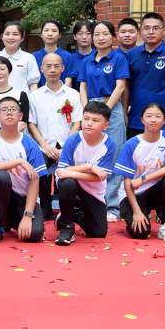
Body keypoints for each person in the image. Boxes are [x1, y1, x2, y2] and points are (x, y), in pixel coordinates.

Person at [0, 96, 48, 244]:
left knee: (34, 235)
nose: (9, 112)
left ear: (20, 116)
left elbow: (35, 180)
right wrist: (19, 161)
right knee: (0, 176)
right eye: (4, 110)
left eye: (13, 109)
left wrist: (27, 216)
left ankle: (9, 221)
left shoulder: (30, 143)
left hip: (23, 199)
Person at [78, 20, 129, 221]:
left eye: (105, 34)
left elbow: (120, 86)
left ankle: (112, 206)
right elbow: (82, 87)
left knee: (114, 153)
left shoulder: (119, 58)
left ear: (112, 37)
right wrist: (87, 111)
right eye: (97, 34)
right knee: (90, 154)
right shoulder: (87, 60)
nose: (100, 38)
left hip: (111, 107)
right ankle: (91, 202)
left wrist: (105, 111)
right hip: (91, 107)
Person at [114, 103, 165, 243]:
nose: (153, 120)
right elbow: (127, 182)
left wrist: (144, 179)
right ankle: (134, 214)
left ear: (164, 120)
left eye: (158, 116)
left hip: (155, 190)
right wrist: (137, 212)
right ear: (142, 120)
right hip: (134, 194)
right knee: (140, 232)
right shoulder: (132, 144)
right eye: (149, 116)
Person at [53, 100, 117, 246]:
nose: (89, 123)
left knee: (98, 232)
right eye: (86, 118)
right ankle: (67, 227)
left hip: (93, 191)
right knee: (67, 183)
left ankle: (73, 214)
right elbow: (61, 171)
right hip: (72, 187)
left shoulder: (110, 144)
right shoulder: (73, 139)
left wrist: (75, 171)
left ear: (106, 125)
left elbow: (100, 177)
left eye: (95, 120)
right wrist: (89, 167)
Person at [28, 52, 82, 221]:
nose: (52, 70)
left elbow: (77, 122)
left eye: (56, 66)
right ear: (41, 69)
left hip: (68, 144)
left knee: (70, 177)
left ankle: (70, 211)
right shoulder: (34, 96)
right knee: (40, 173)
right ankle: (45, 209)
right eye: (48, 66)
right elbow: (31, 124)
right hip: (43, 145)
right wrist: (45, 146)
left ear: (63, 68)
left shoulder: (73, 94)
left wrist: (66, 146)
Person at [127, 12, 165, 139]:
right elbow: (126, 86)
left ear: (163, 31)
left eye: (155, 28)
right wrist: (124, 113)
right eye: (146, 28)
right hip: (136, 119)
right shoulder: (132, 54)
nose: (151, 32)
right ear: (140, 31)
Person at [0, 21, 39, 93]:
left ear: (22, 38)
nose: (11, 37)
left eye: (15, 34)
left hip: (22, 99)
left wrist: (32, 99)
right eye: (7, 34)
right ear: (2, 37)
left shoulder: (29, 58)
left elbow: (33, 84)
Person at [32, 20, 76, 88]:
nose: (50, 34)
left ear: (59, 35)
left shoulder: (68, 56)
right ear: (41, 35)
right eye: (46, 30)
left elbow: (68, 81)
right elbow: (33, 82)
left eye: (54, 31)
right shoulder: (33, 57)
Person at [69, 19, 95, 92]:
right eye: (80, 34)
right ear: (74, 36)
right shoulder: (70, 59)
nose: (84, 37)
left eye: (88, 33)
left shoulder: (98, 57)